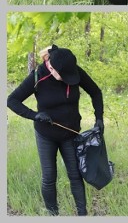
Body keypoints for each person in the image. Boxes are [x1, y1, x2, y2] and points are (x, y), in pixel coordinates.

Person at [7, 45, 104, 216]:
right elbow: (12, 100)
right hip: (46, 135)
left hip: (70, 132)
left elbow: (96, 92)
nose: (68, 79)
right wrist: (35, 115)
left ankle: (82, 214)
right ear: (52, 67)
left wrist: (99, 118)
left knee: (75, 175)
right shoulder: (38, 75)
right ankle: (53, 215)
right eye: (63, 76)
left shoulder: (72, 71)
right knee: (49, 177)